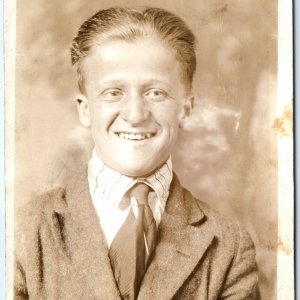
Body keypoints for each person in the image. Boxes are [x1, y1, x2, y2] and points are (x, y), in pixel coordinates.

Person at [14, 7, 259, 300]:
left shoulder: (229, 245)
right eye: (113, 92)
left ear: (186, 107)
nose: (135, 114)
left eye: (156, 92)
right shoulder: (22, 232)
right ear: (85, 108)